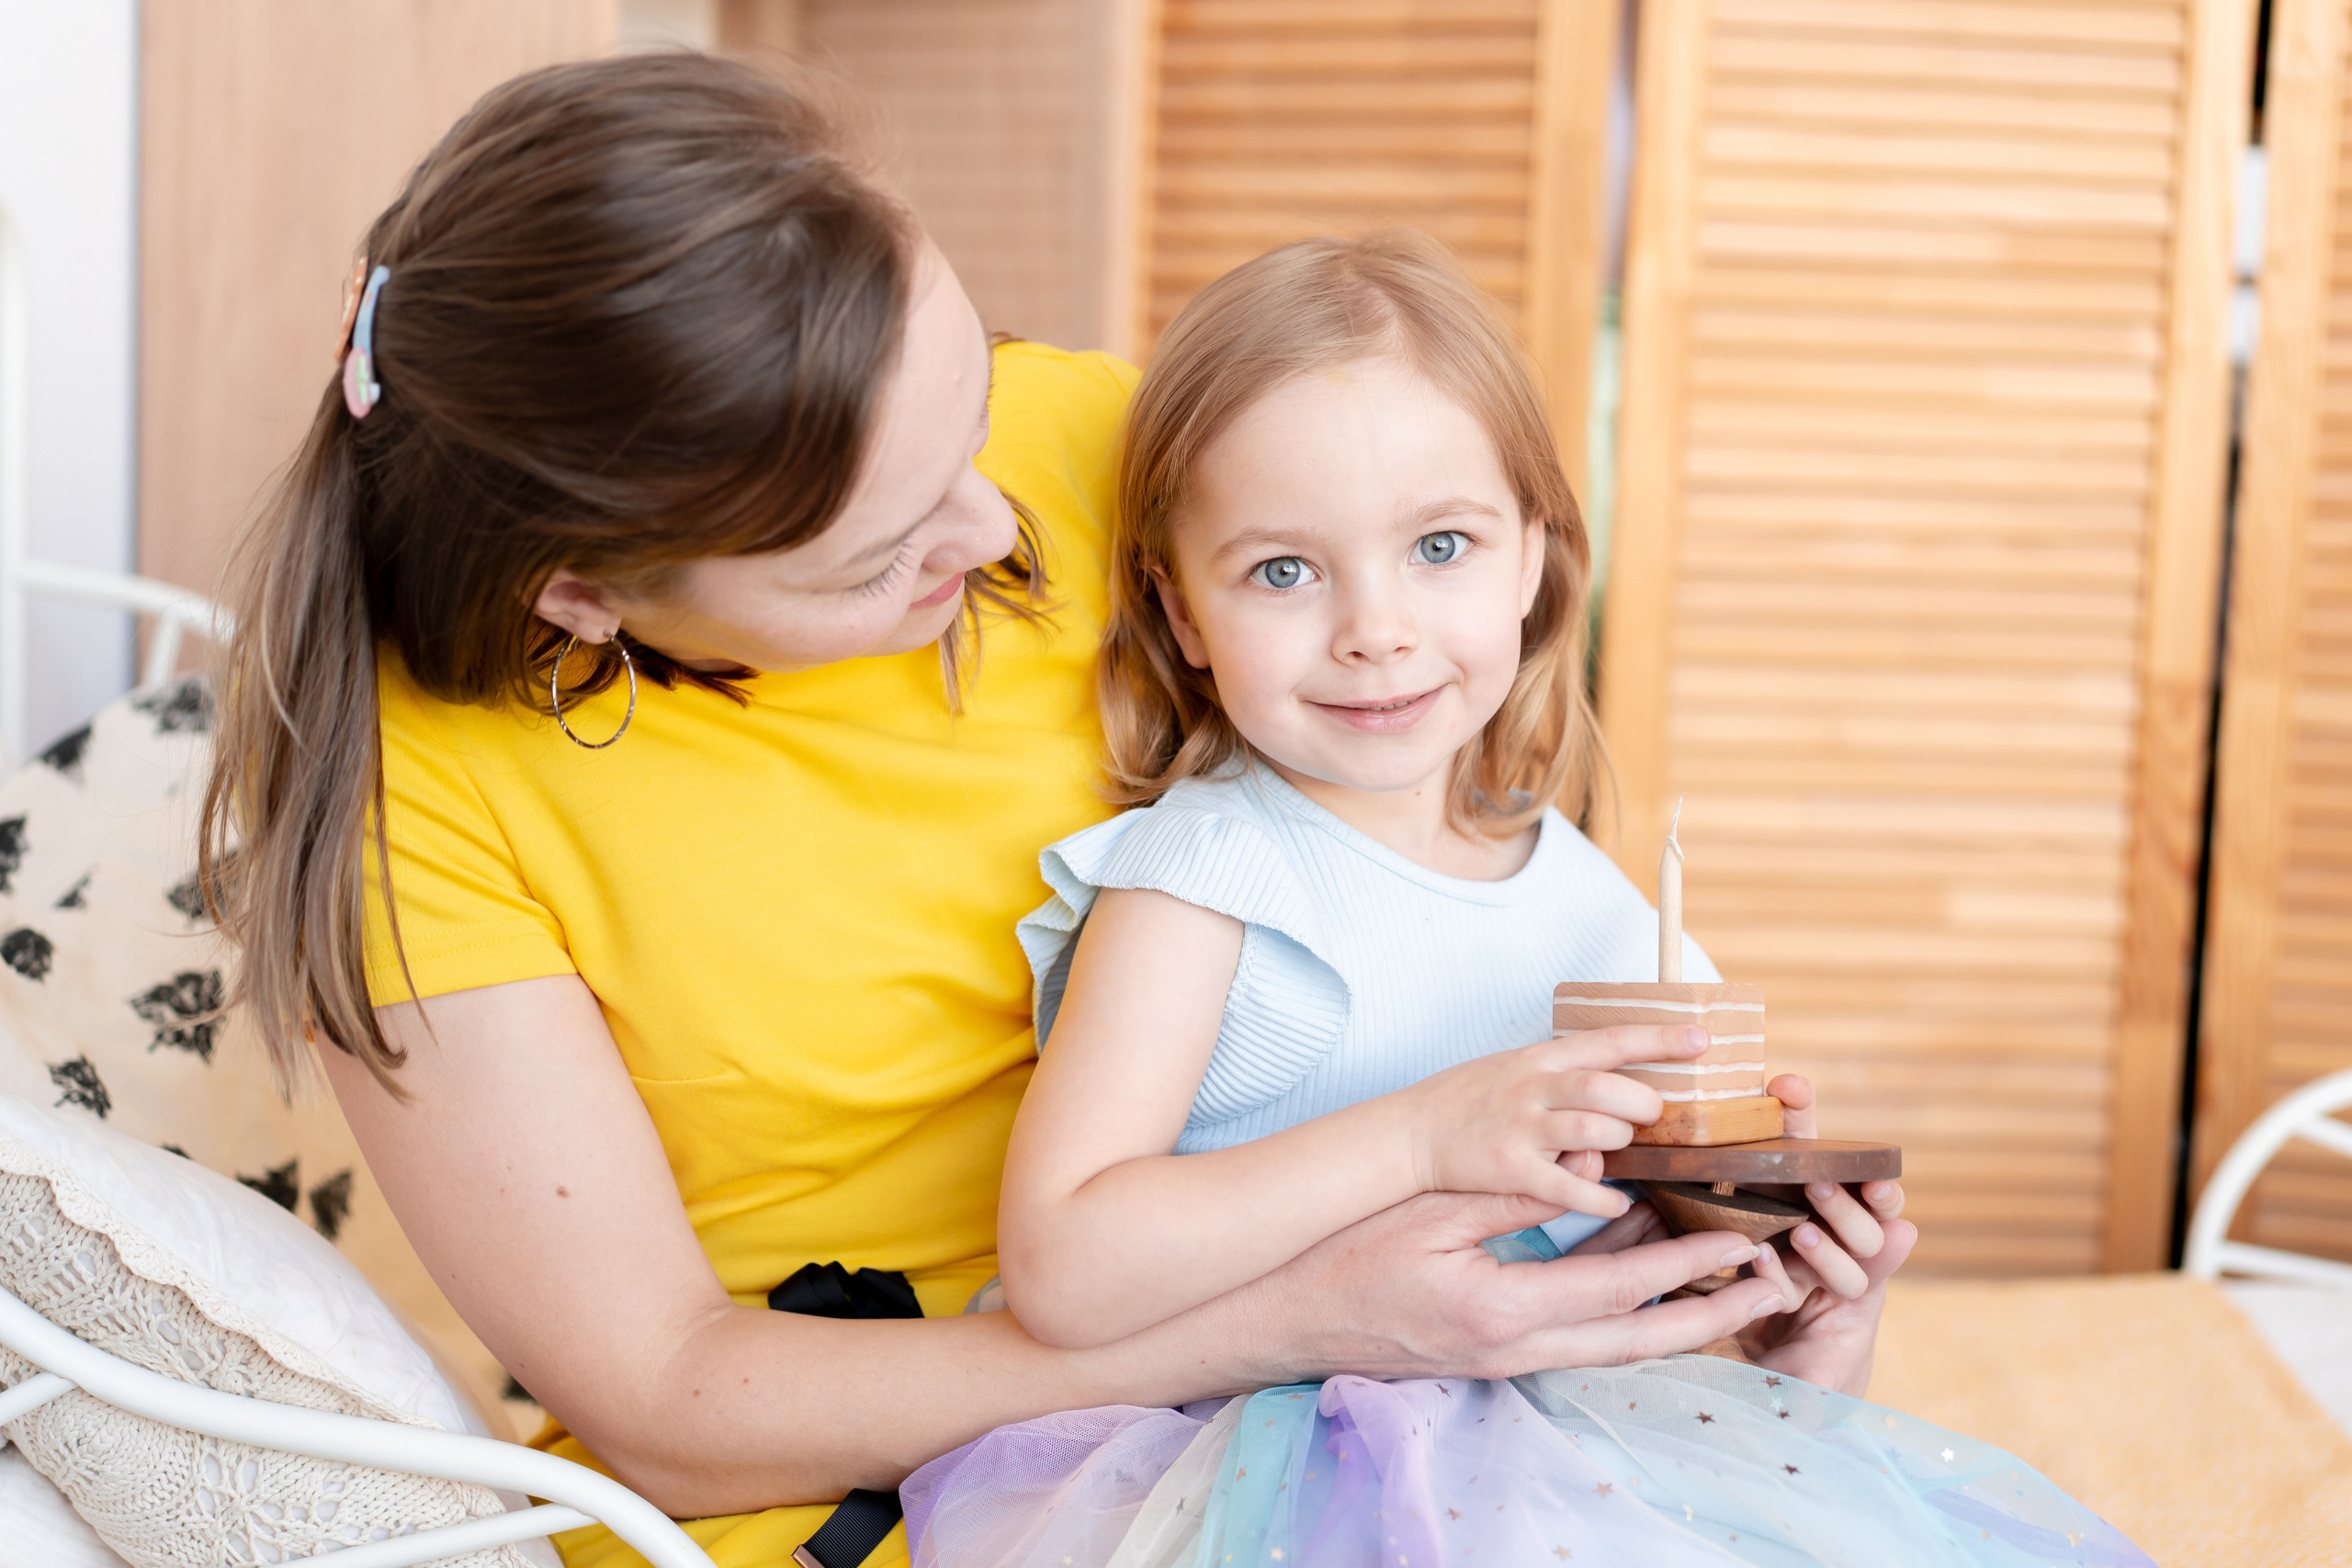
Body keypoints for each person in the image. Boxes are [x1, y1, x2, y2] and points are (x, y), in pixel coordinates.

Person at [203, 55, 1907, 1568]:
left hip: (1388, 1344)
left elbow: (1445, 877)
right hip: (881, 1465)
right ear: (588, 598)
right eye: (886, 554)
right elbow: (667, 1398)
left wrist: (1689, 1258)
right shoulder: (405, 817)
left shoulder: (1108, 448)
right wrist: (1307, 1325)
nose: (1004, 514)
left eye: (974, 408)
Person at [900, 235, 2154, 1567]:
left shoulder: (1598, 911)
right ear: (1183, 610)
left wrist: (1778, 1323)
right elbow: (1065, 1270)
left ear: (1534, 566)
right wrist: (1426, 1138)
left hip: (1552, 1463)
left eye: (1440, 545)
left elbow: (1605, 1338)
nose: (1374, 628)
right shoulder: (1203, 879)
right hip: (1243, 1473)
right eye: (1283, 571)